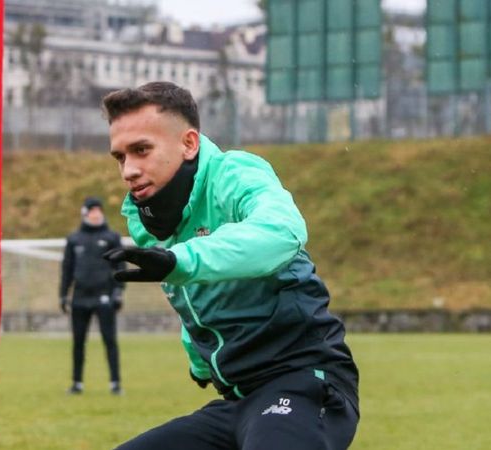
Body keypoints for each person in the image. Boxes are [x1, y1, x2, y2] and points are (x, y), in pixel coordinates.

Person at [100, 82, 359, 449]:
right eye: (120, 157)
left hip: (303, 382)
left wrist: (181, 260)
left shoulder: (234, 174)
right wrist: (199, 362)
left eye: (141, 150)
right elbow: (189, 296)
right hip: (238, 401)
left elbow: (283, 231)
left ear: (189, 143)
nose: (129, 170)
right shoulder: (149, 220)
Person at [59, 196, 126, 395]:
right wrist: (63, 295)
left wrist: (119, 291)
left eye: (99, 210)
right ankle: (77, 383)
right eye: (92, 210)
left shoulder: (112, 237)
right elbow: (67, 269)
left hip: (104, 296)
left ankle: (115, 383)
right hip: (79, 298)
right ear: (85, 213)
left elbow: (120, 266)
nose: (96, 214)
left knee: (110, 340)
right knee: (78, 342)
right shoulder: (74, 239)